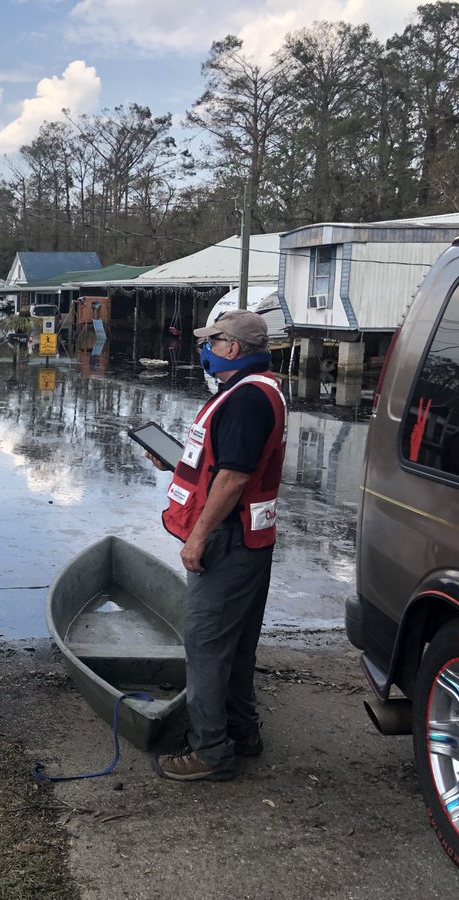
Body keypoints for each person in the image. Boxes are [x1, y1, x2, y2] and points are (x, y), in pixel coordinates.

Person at [148, 310, 287, 782]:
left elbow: (234, 478)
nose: (204, 349)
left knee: (206, 648)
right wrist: (175, 464)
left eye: (211, 342)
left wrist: (198, 538)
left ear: (231, 348)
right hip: (249, 536)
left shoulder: (246, 399)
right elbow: (223, 466)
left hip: (227, 541)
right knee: (239, 644)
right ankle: (242, 732)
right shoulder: (258, 390)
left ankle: (210, 752)